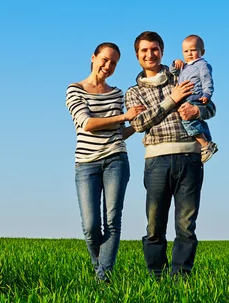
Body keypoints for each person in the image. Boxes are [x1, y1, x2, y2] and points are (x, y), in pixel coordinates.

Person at [125, 31, 216, 279]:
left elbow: (211, 107)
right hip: (156, 160)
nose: (150, 54)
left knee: (186, 225)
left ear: (162, 51)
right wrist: (172, 99)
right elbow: (141, 123)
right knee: (155, 225)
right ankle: (157, 276)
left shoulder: (182, 74)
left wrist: (197, 111)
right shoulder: (133, 92)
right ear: (137, 55)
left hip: (190, 156)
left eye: (154, 49)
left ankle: (181, 278)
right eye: (144, 50)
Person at [65, 42, 146, 283]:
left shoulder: (117, 93)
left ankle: (103, 279)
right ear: (93, 57)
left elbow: (119, 132)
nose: (108, 66)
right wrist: (124, 116)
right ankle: (98, 267)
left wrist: (141, 123)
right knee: (91, 225)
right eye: (105, 60)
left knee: (112, 221)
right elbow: (86, 123)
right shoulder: (75, 89)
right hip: (86, 164)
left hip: (116, 159)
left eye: (113, 63)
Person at [170, 34, 218, 163]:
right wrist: (175, 63)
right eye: (186, 51)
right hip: (185, 97)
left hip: (195, 97)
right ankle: (209, 142)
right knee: (199, 122)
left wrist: (207, 94)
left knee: (187, 120)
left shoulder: (202, 65)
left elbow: (207, 81)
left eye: (193, 50)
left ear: (202, 52)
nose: (189, 53)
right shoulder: (185, 66)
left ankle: (205, 145)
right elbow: (173, 72)